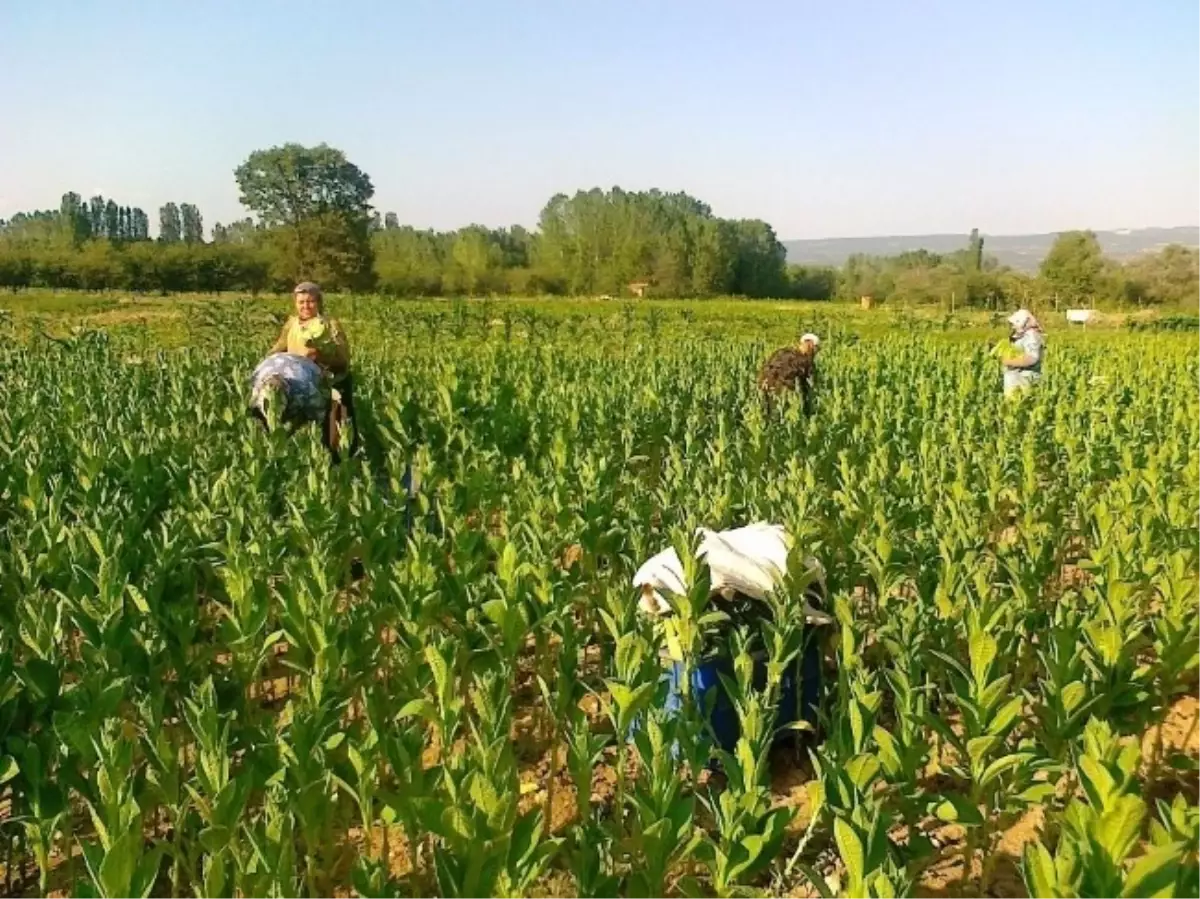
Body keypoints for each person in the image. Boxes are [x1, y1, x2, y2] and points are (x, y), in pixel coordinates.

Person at [267, 281, 359, 459]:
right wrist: (268, 361)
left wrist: (320, 356)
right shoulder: (292, 324)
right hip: (299, 382)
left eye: (310, 301)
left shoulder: (330, 325)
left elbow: (343, 361)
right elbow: (279, 347)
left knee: (335, 434)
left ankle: (340, 462)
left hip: (330, 382)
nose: (305, 306)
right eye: (301, 302)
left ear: (319, 303)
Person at [758, 332, 821, 414]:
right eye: (816, 348)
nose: (816, 352)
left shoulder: (782, 352)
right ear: (811, 345)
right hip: (783, 393)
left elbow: (767, 368)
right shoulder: (805, 360)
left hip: (770, 389)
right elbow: (807, 383)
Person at [1001, 309, 1045, 397]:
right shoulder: (1021, 334)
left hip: (1025, 379)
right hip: (1015, 379)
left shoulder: (1032, 336)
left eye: (1015, 324)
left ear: (1023, 322)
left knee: (1022, 405)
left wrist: (1008, 362)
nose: (1013, 327)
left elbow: (1032, 358)